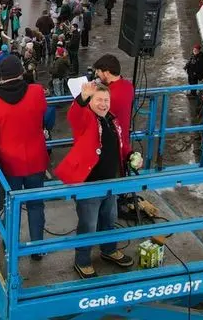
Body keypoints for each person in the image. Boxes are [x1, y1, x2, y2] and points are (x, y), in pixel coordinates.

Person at [54, 82, 138, 278]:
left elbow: (121, 144)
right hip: (89, 184)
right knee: (88, 225)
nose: (103, 104)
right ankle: (82, 259)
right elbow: (74, 116)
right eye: (98, 100)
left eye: (106, 100)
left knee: (109, 218)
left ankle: (108, 250)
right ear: (90, 102)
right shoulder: (86, 119)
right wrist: (82, 98)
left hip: (110, 182)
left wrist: (130, 155)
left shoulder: (112, 120)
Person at [0, 56, 49, 257]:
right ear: (21, 72)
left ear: (1, 76)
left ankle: (11, 245)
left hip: (10, 164)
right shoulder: (36, 92)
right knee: (36, 205)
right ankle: (37, 248)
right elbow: (43, 111)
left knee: (12, 206)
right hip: (36, 160)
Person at [92, 54, 135, 157]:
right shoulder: (128, 86)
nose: (96, 74)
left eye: (98, 71)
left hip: (110, 144)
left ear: (106, 73)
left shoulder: (107, 96)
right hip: (124, 141)